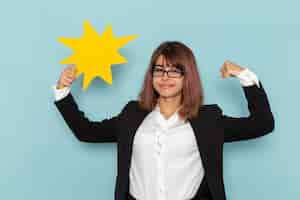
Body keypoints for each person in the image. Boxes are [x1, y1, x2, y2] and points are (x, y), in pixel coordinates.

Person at [52, 41, 275, 200]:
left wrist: (244, 75)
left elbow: (263, 124)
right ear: (152, 77)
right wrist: (63, 90)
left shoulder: (209, 119)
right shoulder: (132, 115)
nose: (165, 77)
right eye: (159, 70)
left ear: (188, 77)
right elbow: (86, 132)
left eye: (174, 71)